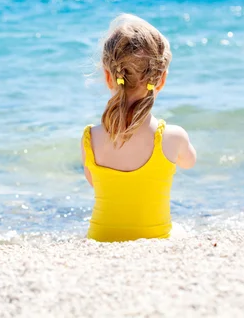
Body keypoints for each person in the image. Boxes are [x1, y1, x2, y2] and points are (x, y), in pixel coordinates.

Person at [81, 14, 196, 242]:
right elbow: (189, 162)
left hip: (100, 239)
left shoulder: (90, 138)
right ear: (161, 80)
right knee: (183, 231)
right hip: (156, 237)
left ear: (108, 76)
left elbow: (95, 181)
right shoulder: (173, 137)